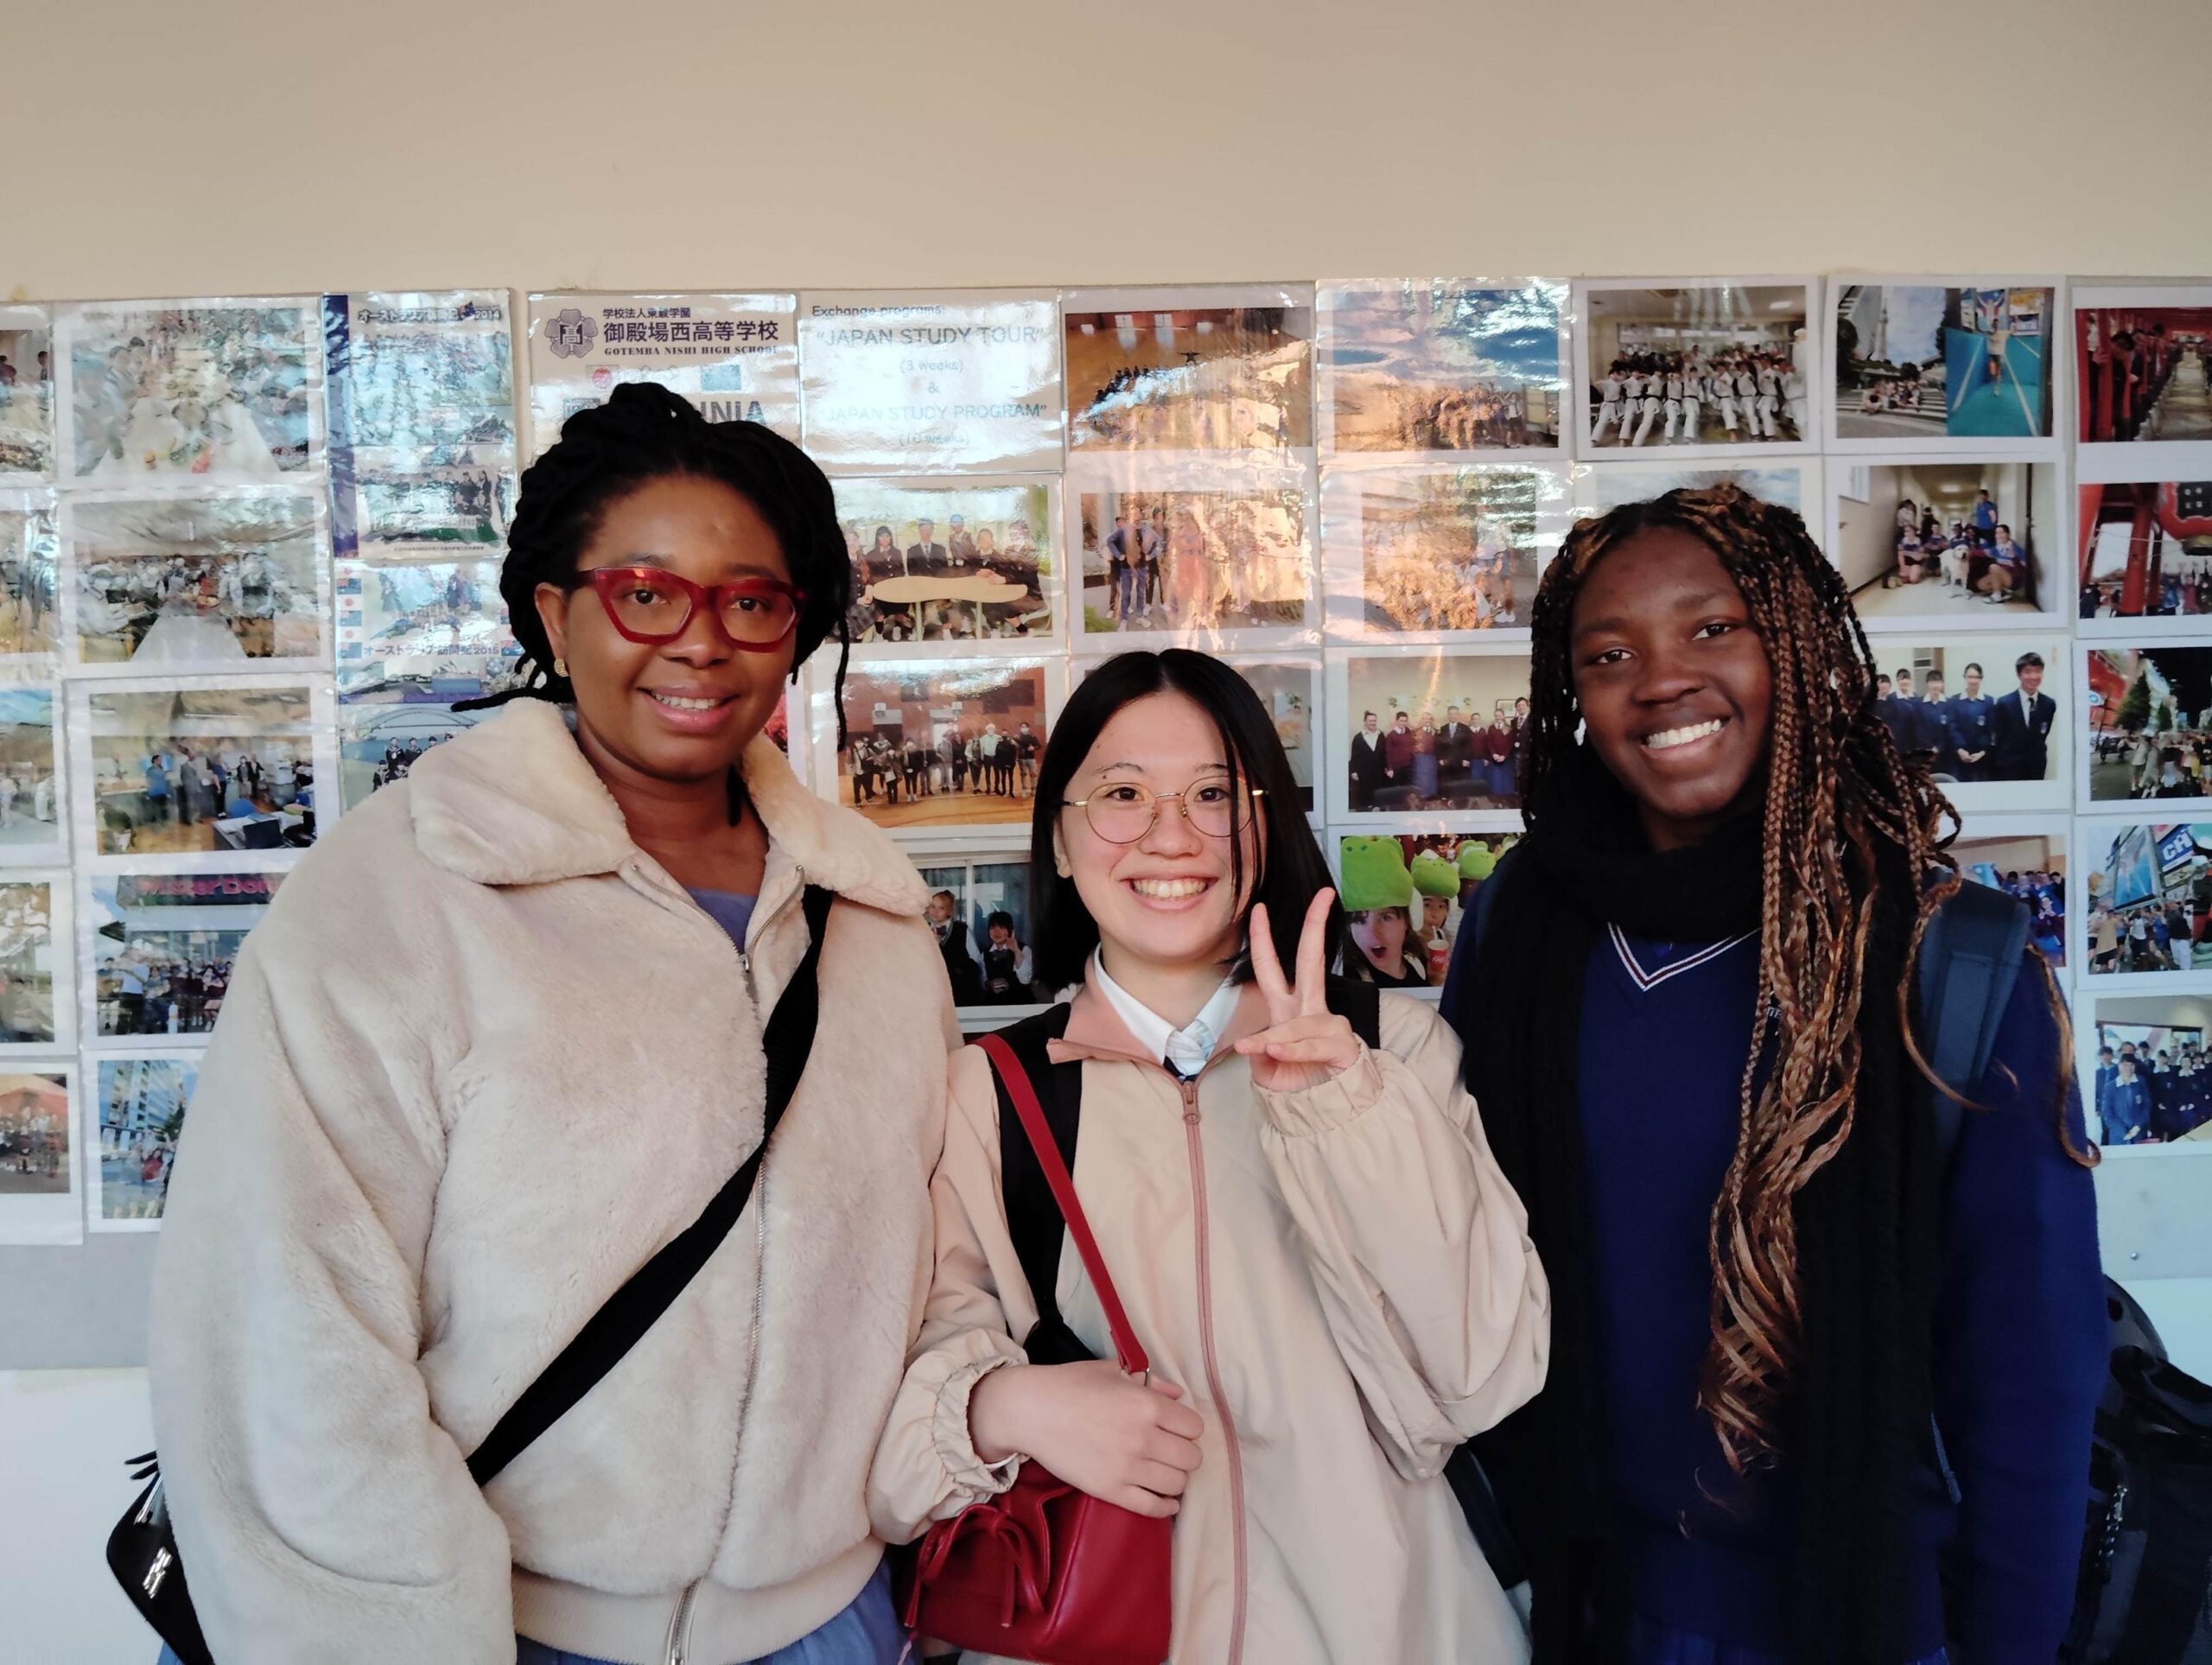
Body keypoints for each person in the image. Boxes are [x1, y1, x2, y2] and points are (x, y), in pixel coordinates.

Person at [148, 384, 950, 1665]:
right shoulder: (396, 899)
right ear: (552, 614)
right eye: (646, 592)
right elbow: (287, 1332)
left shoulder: (878, 922)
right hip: (506, 1627)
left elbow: (930, 1272)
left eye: (750, 601)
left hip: (824, 1623)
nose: (701, 642)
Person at [1439, 484, 2101, 1664]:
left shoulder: (1944, 959)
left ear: (1793, 648)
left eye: (1712, 628)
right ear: (1572, 694)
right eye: (1609, 654)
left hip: (1858, 1617)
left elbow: (2030, 1382)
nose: (1661, 679)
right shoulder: (1522, 928)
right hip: (1578, 1601)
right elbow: (1450, 1256)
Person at [871, 648, 1549, 1662]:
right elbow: (881, 1451)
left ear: (1263, 826)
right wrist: (1002, 1404)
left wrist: (1341, 1112)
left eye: (1213, 794)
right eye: (1122, 794)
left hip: (1397, 1630)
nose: (1170, 835)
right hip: (1100, 1631)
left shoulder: (1391, 1051)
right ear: (1059, 839)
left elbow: (1481, 1377)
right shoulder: (991, 1093)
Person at [1989, 651, 2056, 782]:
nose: (2034, 676)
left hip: (2036, 768)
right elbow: (1998, 740)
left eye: (2038, 671)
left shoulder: (2049, 704)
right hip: (2009, 768)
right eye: (2028, 671)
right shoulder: (2004, 703)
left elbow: (2042, 735)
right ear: (2019, 675)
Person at [1347, 902, 1427, 987]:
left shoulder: (1416, 964)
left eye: (1385, 918)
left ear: (1407, 922)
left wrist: (1433, 983)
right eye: (1359, 920)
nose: (1372, 935)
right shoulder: (1351, 978)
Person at [1947, 661, 1993, 782]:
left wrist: (1982, 752)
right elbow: (1952, 727)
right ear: (1965, 678)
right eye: (1970, 677)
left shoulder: (1989, 702)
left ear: (1981, 678)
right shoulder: (1954, 701)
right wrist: (1960, 749)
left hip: (1981, 759)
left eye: (1976, 677)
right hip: (1959, 757)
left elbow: (1991, 730)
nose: (1973, 680)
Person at [1348, 709, 1385, 810]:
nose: (1373, 723)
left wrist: (1387, 768)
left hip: (1378, 772)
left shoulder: (1381, 735)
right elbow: (1354, 756)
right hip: (1364, 772)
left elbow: (1384, 753)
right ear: (1365, 722)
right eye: (1370, 721)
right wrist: (1353, 771)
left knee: (1378, 795)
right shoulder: (1358, 738)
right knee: (1365, 797)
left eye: (1374, 721)